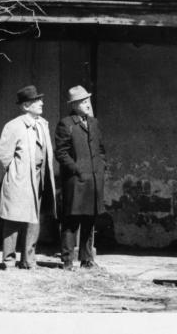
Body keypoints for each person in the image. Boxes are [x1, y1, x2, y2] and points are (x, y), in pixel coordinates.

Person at [0, 85, 57, 270]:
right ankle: (9, 261)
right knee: (13, 219)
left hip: (38, 178)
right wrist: (8, 177)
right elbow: (2, 157)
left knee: (33, 219)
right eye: (37, 101)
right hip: (18, 179)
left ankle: (29, 260)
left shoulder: (43, 124)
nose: (42, 103)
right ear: (26, 106)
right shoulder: (13, 126)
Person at [54, 85, 106, 270]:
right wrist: (76, 169)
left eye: (88, 101)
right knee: (71, 220)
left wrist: (101, 167)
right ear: (74, 105)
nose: (87, 104)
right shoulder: (66, 123)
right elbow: (61, 153)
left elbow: (100, 150)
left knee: (89, 220)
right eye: (83, 102)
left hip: (93, 179)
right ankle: (67, 260)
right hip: (76, 181)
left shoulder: (94, 123)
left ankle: (87, 259)